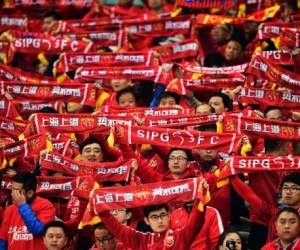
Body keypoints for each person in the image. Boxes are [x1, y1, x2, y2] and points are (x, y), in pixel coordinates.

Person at [99, 195, 207, 249]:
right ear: (146, 220)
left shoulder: (180, 236)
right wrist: (99, 206)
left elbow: (197, 221)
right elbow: (116, 228)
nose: (160, 220)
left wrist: (201, 196)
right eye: (154, 217)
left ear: (169, 216)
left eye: (163, 215)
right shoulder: (142, 240)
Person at [0, 171, 55, 249]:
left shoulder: (46, 205)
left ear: (30, 193)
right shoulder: (9, 209)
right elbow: (3, 240)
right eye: (12, 190)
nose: (12, 194)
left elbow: (38, 230)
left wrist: (22, 205)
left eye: (17, 191)